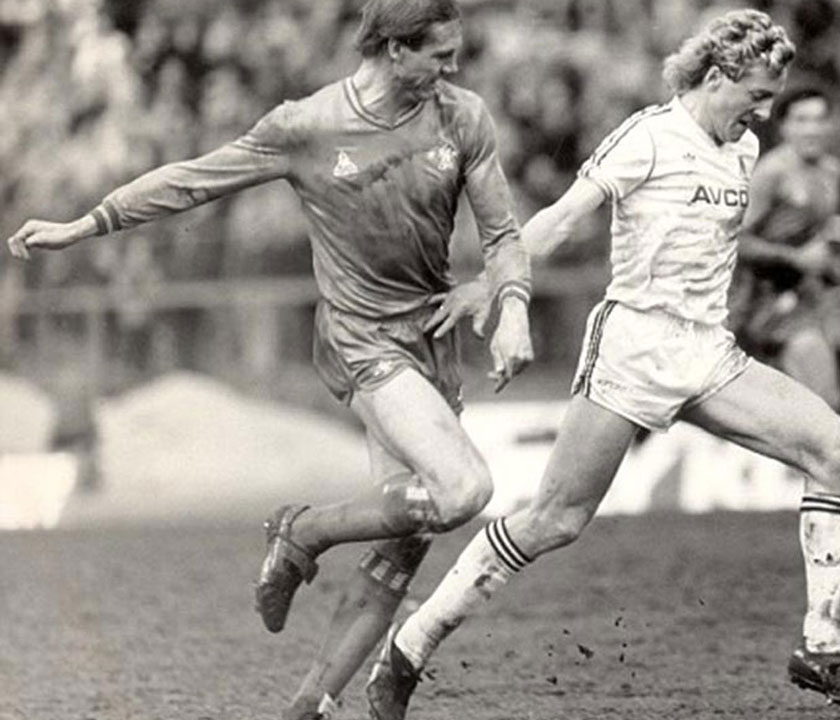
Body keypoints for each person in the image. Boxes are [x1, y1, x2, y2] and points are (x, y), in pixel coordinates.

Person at [6, 1, 534, 717]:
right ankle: (304, 530)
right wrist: (84, 225)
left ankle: (310, 704)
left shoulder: (462, 116)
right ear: (392, 49)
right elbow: (190, 179)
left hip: (430, 342)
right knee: (465, 490)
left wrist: (510, 307)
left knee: (408, 536)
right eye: (440, 55)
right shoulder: (307, 126)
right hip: (362, 341)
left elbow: (504, 234)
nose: (454, 67)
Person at [365, 10, 840, 719]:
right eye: (757, 94)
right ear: (718, 76)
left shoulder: (745, 150)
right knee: (554, 521)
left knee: (838, 452)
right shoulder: (649, 136)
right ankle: (407, 649)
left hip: (710, 351)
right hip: (634, 349)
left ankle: (824, 643)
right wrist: (494, 282)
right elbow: (564, 217)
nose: (764, 111)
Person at [729, 83, 840, 411]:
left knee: (822, 405)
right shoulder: (771, 173)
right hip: (756, 304)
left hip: (800, 301)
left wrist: (828, 271)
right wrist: (796, 259)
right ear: (784, 127)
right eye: (801, 119)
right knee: (819, 405)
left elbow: (815, 239)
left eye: (819, 119)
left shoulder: (831, 172)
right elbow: (732, 238)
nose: (812, 128)